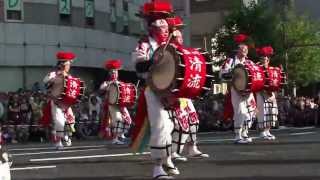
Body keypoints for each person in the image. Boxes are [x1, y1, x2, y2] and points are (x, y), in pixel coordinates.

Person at [131, 1, 179, 179]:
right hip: (153, 89)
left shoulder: (172, 44)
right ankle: (157, 167)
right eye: (156, 19)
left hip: (172, 91)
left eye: (164, 19)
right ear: (149, 23)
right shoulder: (145, 43)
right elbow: (139, 66)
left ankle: (167, 159)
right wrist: (154, 61)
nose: (161, 23)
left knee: (171, 125)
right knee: (159, 126)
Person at [166, 16, 209, 161]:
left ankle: (192, 148)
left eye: (181, 35)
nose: (181, 37)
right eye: (177, 35)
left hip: (184, 94)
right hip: (173, 94)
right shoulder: (168, 52)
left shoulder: (183, 52)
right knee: (180, 123)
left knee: (193, 120)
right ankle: (172, 152)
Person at [219, 34, 257, 144]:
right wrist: (234, 74)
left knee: (251, 112)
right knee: (240, 112)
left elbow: (256, 74)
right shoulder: (231, 61)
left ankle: (245, 133)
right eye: (242, 48)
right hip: (236, 90)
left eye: (246, 48)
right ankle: (237, 135)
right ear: (237, 50)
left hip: (249, 92)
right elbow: (222, 73)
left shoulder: (250, 62)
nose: (245, 50)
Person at [42, 51, 76, 150]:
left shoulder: (69, 77)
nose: (69, 66)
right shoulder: (53, 74)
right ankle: (58, 142)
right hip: (56, 102)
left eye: (69, 64)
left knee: (71, 122)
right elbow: (45, 82)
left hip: (66, 103)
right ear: (62, 64)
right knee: (59, 122)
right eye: (68, 64)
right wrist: (56, 78)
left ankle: (66, 136)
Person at [100, 59, 132, 145]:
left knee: (128, 119)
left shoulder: (121, 83)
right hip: (111, 105)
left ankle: (121, 134)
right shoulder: (107, 83)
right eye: (112, 72)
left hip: (121, 104)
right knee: (117, 120)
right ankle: (115, 138)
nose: (114, 73)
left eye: (116, 71)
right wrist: (107, 86)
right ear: (109, 73)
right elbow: (101, 88)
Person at [255, 46, 278, 140]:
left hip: (271, 93)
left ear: (268, 60)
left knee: (271, 111)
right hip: (260, 92)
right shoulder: (257, 68)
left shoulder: (272, 69)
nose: (265, 60)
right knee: (262, 112)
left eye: (266, 59)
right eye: (263, 58)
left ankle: (268, 131)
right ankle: (262, 132)